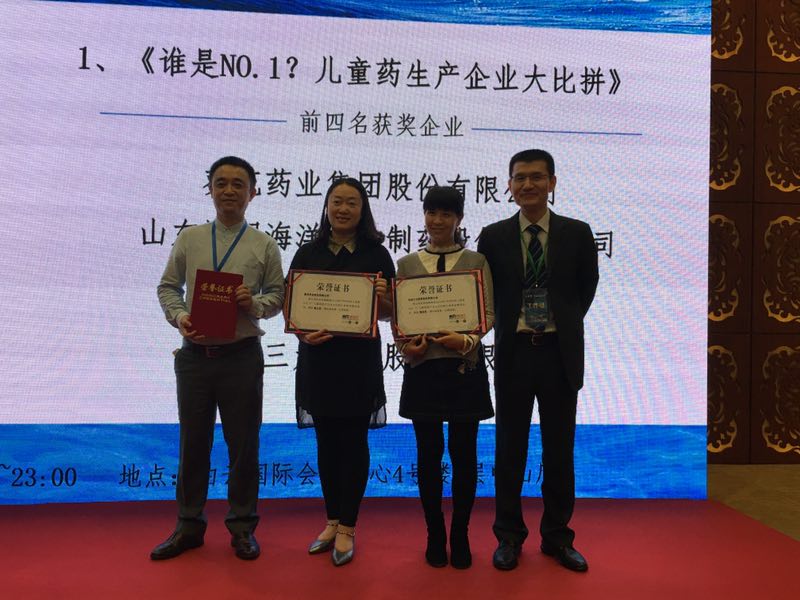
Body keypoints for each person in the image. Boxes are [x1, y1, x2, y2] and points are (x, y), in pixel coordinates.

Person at [153, 156, 285, 561]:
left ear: (253, 193)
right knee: (193, 443)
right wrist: (180, 317)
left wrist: (253, 303)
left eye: (238, 184)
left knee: (243, 446)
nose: (229, 190)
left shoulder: (264, 244)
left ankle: (242, 527)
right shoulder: (190, 238)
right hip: (195, 357)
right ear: (210, 189)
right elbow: (168, 287)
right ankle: (188, 526)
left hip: (241, 357)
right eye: (221, 183)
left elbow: (277, 297)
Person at [477, 149, 598, 572]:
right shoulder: (493, 237)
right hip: (514, 353)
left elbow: (585, 289)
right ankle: (509, 536)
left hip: (558, 354)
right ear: (509, 185)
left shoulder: (577, 233)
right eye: (519, 178)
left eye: (536, 177)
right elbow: (486, 293)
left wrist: (557, 323)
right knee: (509, 449)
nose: (527, 184)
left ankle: (558, 537)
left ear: (552, 182)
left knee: (559, 450)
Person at [289, 177, 395, 567]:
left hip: (357, 363)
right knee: (326, 444)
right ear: (327, 206)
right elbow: (292, 308)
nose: (343, 209)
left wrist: (384, 300)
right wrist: (302, 331)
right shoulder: (308, 251)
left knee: (353, 443)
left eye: (352, 202)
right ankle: (332, 520)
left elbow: (391, 313)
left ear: (362, 210)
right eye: (337, 201)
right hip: (318, 361)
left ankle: (349, 525)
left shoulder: (377, 254)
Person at [396, 186, 494, 569]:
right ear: (424, 216)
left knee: (465, 456)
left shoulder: (476, 261)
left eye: (446, 214)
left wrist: (466, 340)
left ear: (459, 219)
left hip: (463, 369)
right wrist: (408, 346)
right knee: (428, 456)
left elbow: (488, 312)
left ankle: (461, 533)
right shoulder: (406, 264)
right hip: (423, 370)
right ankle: (434, 533)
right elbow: (400, 321)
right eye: (431, 213)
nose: (437, 221)